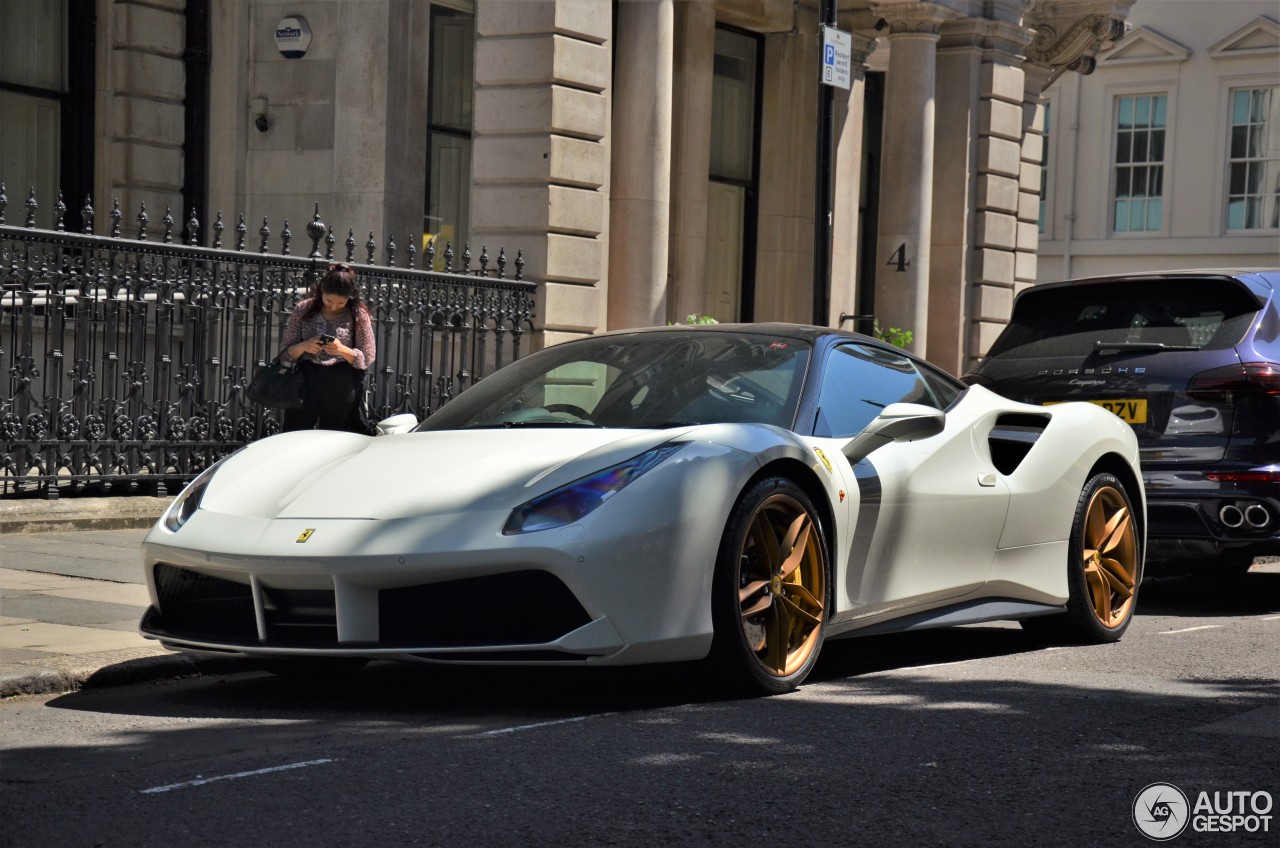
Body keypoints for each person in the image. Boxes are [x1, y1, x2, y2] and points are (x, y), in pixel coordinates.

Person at [278, 262, 377, 433]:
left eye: (341, 303)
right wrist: (304, 346)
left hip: (342, 381)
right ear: (321, 290)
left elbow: (367, 357)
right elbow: (285, 352)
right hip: (306, 380)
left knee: (335, 436)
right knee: (295, 433)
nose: (333, 306)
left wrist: (341, 350)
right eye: (329, 300)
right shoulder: (304, 309)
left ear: (349, 297)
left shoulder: (357, 315)